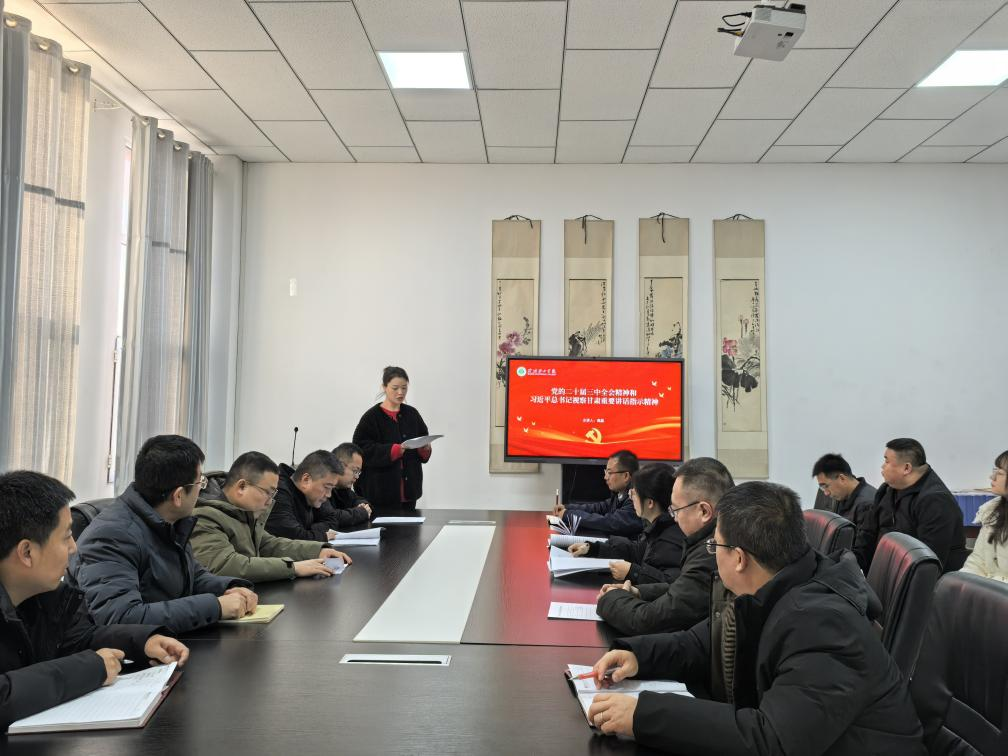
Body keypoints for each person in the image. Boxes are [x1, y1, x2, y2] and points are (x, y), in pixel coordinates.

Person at [585, 481, 925, 755]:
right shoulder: (777, 585)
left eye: (715, 546)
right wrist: (639, 656)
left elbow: (772, 739)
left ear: (739, 558)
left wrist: (643, 715)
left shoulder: (823, 623)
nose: (712, 554)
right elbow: (702, 642)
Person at [0, 470, 189, 731]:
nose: (74, 547)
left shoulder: (43, 596)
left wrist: (142, 642)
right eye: (66, 536)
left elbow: (79, 639)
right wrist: (92, 669)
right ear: (27, 552)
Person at [69, 435, 258, 634]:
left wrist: (228, 588)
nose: (201, 490)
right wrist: (216, 607)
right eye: (200, 483)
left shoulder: (169, 520)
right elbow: (122, 619)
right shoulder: (110, 536)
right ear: (178, 496)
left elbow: (189, 575)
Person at [594, 457, 734, 635]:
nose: (674, 518)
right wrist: (639, 591)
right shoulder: (706, 544)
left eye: (676, 510)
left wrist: (609, 599)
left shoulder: (711, 552)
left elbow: (649, 620)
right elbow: (680, 589)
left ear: (704, 511)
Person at [190, 452, 352, 583]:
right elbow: (227, 565)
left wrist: (318, 550)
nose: (270, 501)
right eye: (268, 492)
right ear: (242, 486)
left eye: (273, 493)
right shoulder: (204, 517)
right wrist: (293, 568)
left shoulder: (242, 511)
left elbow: (269, 544)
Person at [853, 438, 967, 573]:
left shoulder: (935, 501)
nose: (882, 466)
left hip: (920, 579)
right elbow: (867, 535)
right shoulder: (886, 490)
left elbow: (928, 562)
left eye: (887, 461)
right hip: (884, 570)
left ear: (906, 468)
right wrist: (853, 565)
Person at [568, 463, 683, 584]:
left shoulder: (670, 539)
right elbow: (638, 551)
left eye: (634, 493)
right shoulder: (657, 526)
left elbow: (670, 585)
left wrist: (632, 572)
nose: (630, 497)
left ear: (650, 503)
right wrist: (594, 548)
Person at [353, 366, 432, 514]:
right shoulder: (371, 417)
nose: (400, 392)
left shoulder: (412, 414)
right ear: (384, 387)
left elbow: (423, 438)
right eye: (395, 388)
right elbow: (360, 449)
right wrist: (393, 450)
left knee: (411, 528)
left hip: (409, 493)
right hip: (379, 493)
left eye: (404, 388)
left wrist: (424, 449)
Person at [265, 450, 359, 541]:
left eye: (331, 488)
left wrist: (306, 531)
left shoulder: (314, 495)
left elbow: (332, 520)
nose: (329, 495)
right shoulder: (278, 491)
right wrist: (319, 535)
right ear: (306, 480)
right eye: (327, 487)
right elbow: (291, 536)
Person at [553, 450, 643, 537]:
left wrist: (569, 515)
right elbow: (598, 508)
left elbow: (609, 522)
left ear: (626, 476)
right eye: (605, 472)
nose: (605, 477)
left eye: (609, 473)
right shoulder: (620, 494)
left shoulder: (635, 499)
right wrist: (567, 508)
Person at [960, 449, 1008, 582]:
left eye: (1000, 473)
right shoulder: (991, 511)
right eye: (995, 470)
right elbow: (977, 562)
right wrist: (962, 584)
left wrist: (992, 588)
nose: (992, 477)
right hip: (989, 590)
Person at [811, 453, 876, 537]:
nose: (826, 493)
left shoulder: (867, 505)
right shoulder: (839, 495)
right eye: (822, 488)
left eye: (826, 486)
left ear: (842, 478)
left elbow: (860, 544)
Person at [330, 442, 373, 524]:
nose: (357, 477)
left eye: (358, 472)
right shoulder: (322, 487)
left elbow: (357, 499)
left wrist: (363, 505)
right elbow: (332, 517)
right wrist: (362, 512)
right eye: (355, 471)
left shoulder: (343, 488)